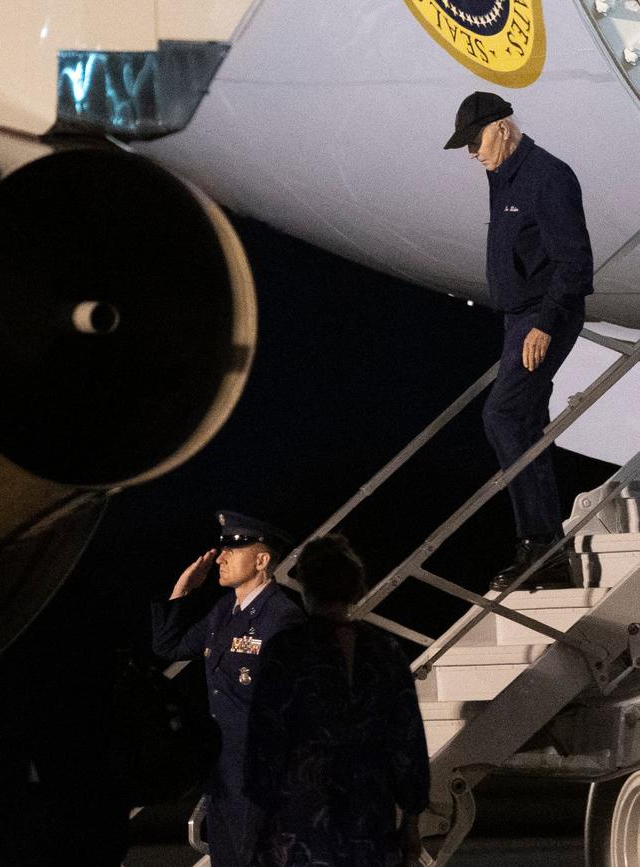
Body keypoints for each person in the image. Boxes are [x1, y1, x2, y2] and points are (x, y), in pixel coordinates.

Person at [444, 91, 594, 592]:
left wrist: (545, 323)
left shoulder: (548, 176)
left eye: (476, 140)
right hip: (517, 320)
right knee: (523, 422)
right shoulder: (500, 172)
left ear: (503, 128)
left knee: (502, 415)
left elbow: (574, 264)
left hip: (543, 319)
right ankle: (546, 555)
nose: (472, 153)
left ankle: (539, 544)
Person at [245, 534, 430, 867]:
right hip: (369, 811)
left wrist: (256, 817)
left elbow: (265, 739)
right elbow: (407, 740)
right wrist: (412, 818)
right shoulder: (385, 650)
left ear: (305, 585)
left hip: (300, 813)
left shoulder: (288, 650)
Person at [151, 510, 305, 867]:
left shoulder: (282, 618)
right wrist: (183, 590)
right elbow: (167, 647)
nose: (220, 558)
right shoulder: (224, 611)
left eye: (233, 551)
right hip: (222, 772)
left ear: (262, 560)